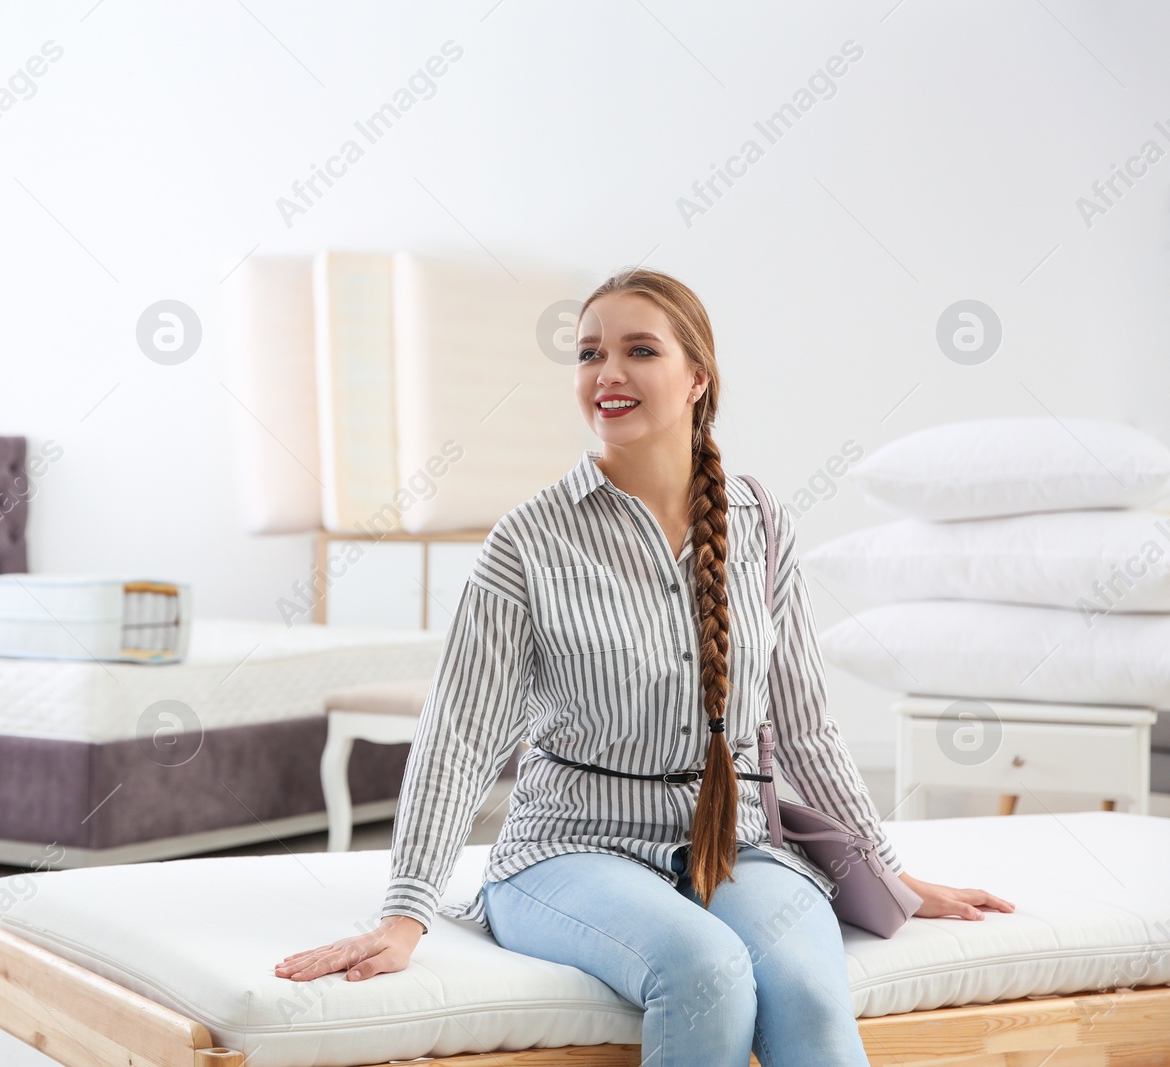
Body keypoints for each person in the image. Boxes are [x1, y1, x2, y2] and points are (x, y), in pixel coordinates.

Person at [275, 268, 1014, 1065]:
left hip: (740, 845)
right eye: (590, 353)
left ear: (697, 377)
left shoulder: (761, 524)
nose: (608, 373)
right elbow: (459, 736)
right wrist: (406, 911)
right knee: (707, 968)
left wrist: (891, 874)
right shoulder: (529, 540)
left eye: (639, 349)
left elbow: (805, 727)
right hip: (567, 850)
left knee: (807, 990)